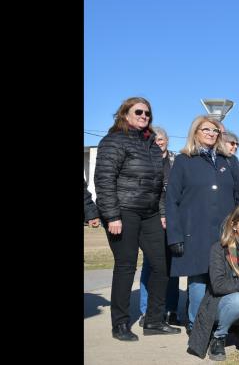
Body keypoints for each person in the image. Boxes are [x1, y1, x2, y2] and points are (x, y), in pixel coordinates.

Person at [93, 97, 180, 341]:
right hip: (124, 212)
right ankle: (120, 323)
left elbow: (159, 185)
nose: (144, 116)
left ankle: (154, 320)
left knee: (162, 266)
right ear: (125, 114)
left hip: (150, 213)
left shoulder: (151, 144)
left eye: (148, 114)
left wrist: (162, 213)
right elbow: (104, 180)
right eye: (139, 112)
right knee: (126, 267)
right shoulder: (113, 141)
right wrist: (112, 215)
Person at [166, 115, 239, 333]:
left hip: (226, 233)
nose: (212, 134)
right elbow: (172, 200)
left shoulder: (229, 161)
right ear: (195, 132)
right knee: (199, 280)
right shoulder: (184, 161)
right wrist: (174, 235)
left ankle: (221, 323)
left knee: (225, 279)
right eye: (206, 130)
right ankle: (197, 326)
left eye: (215, 131)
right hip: (195, 232)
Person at [187, 204, 239, 361]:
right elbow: (218, 284)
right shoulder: (218, 249)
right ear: (234, 226)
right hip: (220, 303)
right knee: (238, 300)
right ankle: (218, 337)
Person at [138, 126, 180, 327]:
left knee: (172, 265)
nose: (158, 141)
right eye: (154, 138)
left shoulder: (177, 161)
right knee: (151, 265)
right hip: (151, 217)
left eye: (161, 138)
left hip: (173, 217)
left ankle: (170, 309)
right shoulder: (143, 160)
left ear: (167, 140)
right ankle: (147, 311)